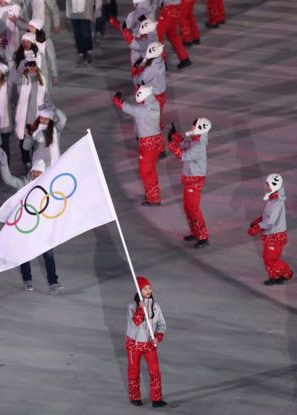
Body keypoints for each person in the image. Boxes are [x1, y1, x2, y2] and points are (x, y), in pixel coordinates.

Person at [0, 151, 64, 294]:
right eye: (33, 172)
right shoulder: (23, 185)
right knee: (23, 253)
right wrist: (3, 164)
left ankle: (53, 282)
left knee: (48, 254)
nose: (35, 175)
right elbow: (8, 179)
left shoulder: (48, 188)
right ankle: (27, 279)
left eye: (38, 173)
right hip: (25, 226)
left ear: (43, 174)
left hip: (42, 227)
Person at [112, 86, 162, 206]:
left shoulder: (141, 110)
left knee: (145, 172)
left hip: (147, 144)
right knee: (151, 170)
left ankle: (153, 198)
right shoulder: (155, 104)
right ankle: (153, 194)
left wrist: (116, 99)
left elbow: (126, 107)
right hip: (156, 141)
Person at [168, 119, 211, 248]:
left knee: (193, 209)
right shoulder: (195, 141)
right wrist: (175, 137)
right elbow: (185, 144)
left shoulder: (199, 146)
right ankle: (195, 232)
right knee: (188, 208)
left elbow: (183, 156)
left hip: (194, 182)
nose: (191, 128)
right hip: (189, 181)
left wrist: (171, 145)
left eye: (193, 126)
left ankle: (203, 237)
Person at [126, 276, 167, 407]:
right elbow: (134, 324)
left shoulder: (156, 307)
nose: (148, 291)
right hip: (134, 344)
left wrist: (158, 337)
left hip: (149, 344)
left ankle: (156, 399)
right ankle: (135, 397)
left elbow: (161, 324)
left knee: (155, 371)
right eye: (144, 289)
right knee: (134, 371)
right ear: (139, 291)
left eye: (149, 288)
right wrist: (140, 309)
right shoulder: (132, 307)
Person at [248, 174, 294, 286]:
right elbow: (267, 216)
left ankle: (286, 273)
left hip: (275, 236)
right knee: (268, 258)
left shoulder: (277, 203)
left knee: (271, 259)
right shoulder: (272, 199)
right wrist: (258, 221)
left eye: (267, 184)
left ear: (274, 186)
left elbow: (270, 222)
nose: (265, 186)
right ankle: (275, 276)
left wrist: (257, 227)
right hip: (271, 234)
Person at [11, 58, 51, 171]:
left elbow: (46, 96)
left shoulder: (41, 79)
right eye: (29, 65)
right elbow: (15, 78)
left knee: (36, 142)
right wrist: (21, 66)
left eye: (34, 65)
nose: (32, 67)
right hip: (25, 118)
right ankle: (26, 161)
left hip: (38, 118)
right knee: (23, 142)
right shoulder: (23, 78)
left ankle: (34, 162)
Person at [156, 0, 192, 69]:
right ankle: (184, 58)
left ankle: (161, 62)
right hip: (176, 7)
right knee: (172, 35)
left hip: (167, 9)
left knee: (157, 36)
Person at [65, 0, 97, 65]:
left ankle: (88, 51)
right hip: (74, 13)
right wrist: (68, 12)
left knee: (86, 33)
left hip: (85, 12)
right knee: (77, 34)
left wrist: (93, 10)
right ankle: (81, 53)